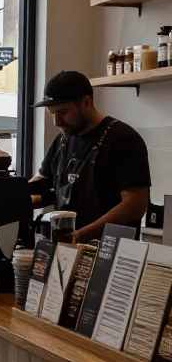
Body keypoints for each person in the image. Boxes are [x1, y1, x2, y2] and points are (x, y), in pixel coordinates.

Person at [31, 70, 151, 242]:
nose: (57, 121)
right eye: (53, 113)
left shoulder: (122, 139)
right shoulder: (62, 140)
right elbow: (45, 179)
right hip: (69, 248)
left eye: (63, 112)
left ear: (87, 102)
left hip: (110, 252)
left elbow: (135, 205)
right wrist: (17, 197)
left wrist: (80, 235)